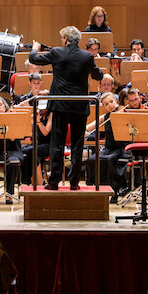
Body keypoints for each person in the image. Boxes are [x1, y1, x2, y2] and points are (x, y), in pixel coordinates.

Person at [29, 26, 103, 190]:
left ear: (65, 39)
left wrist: (35, 48)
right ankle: (74, 183)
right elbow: (98, 76)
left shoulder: (57, 52)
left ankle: (54, 182)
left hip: (60, 104)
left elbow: (34, 59)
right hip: (79, 105)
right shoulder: (87, 56)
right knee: (77, 144)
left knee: (57, 143)